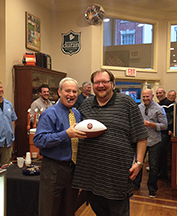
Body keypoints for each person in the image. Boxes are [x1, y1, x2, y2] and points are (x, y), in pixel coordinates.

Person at [72, 69, 148, 216]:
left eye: (105, 82)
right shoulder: (86, 105)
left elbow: (141, 135)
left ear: (112, 84)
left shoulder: (127, 103)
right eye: (97, 82)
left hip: (117, 174)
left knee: (118, 211)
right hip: (91, 175)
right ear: (92, 85)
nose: (101, 85)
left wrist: (139, 162)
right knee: (98, 210)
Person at [33, 77, 87, 216]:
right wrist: (66, 134)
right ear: (59, 92)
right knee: (49, 210)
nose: (71, 94)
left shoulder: (76, 114)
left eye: (74, 91)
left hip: (72, 169)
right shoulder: (49, 114)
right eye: (67, 91)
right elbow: (39, 140)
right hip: (53, 169)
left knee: (69, 211)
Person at [133, 89, 167, 198]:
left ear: (152, 96)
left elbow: (164, 126)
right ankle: (135, 184)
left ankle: (152, 189)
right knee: (138, 163)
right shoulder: (139, 108)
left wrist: (151, 124)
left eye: (147, 96)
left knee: (153, 166)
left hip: (154, 141)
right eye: (144, 97)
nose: (145, 99)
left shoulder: (159, 109)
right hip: (141, 140)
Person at [156, 87, 174, 179]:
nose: (158, 95)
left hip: (166, 132)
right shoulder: (158, 105)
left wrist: (171, 129)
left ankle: (163, 173)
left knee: (162, 151)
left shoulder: (169, 105)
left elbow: (172, 118)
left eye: (160, 93)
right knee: (160, 152)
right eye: (157, 93)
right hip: (159, 132)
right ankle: (160, 172)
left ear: (164, 93)